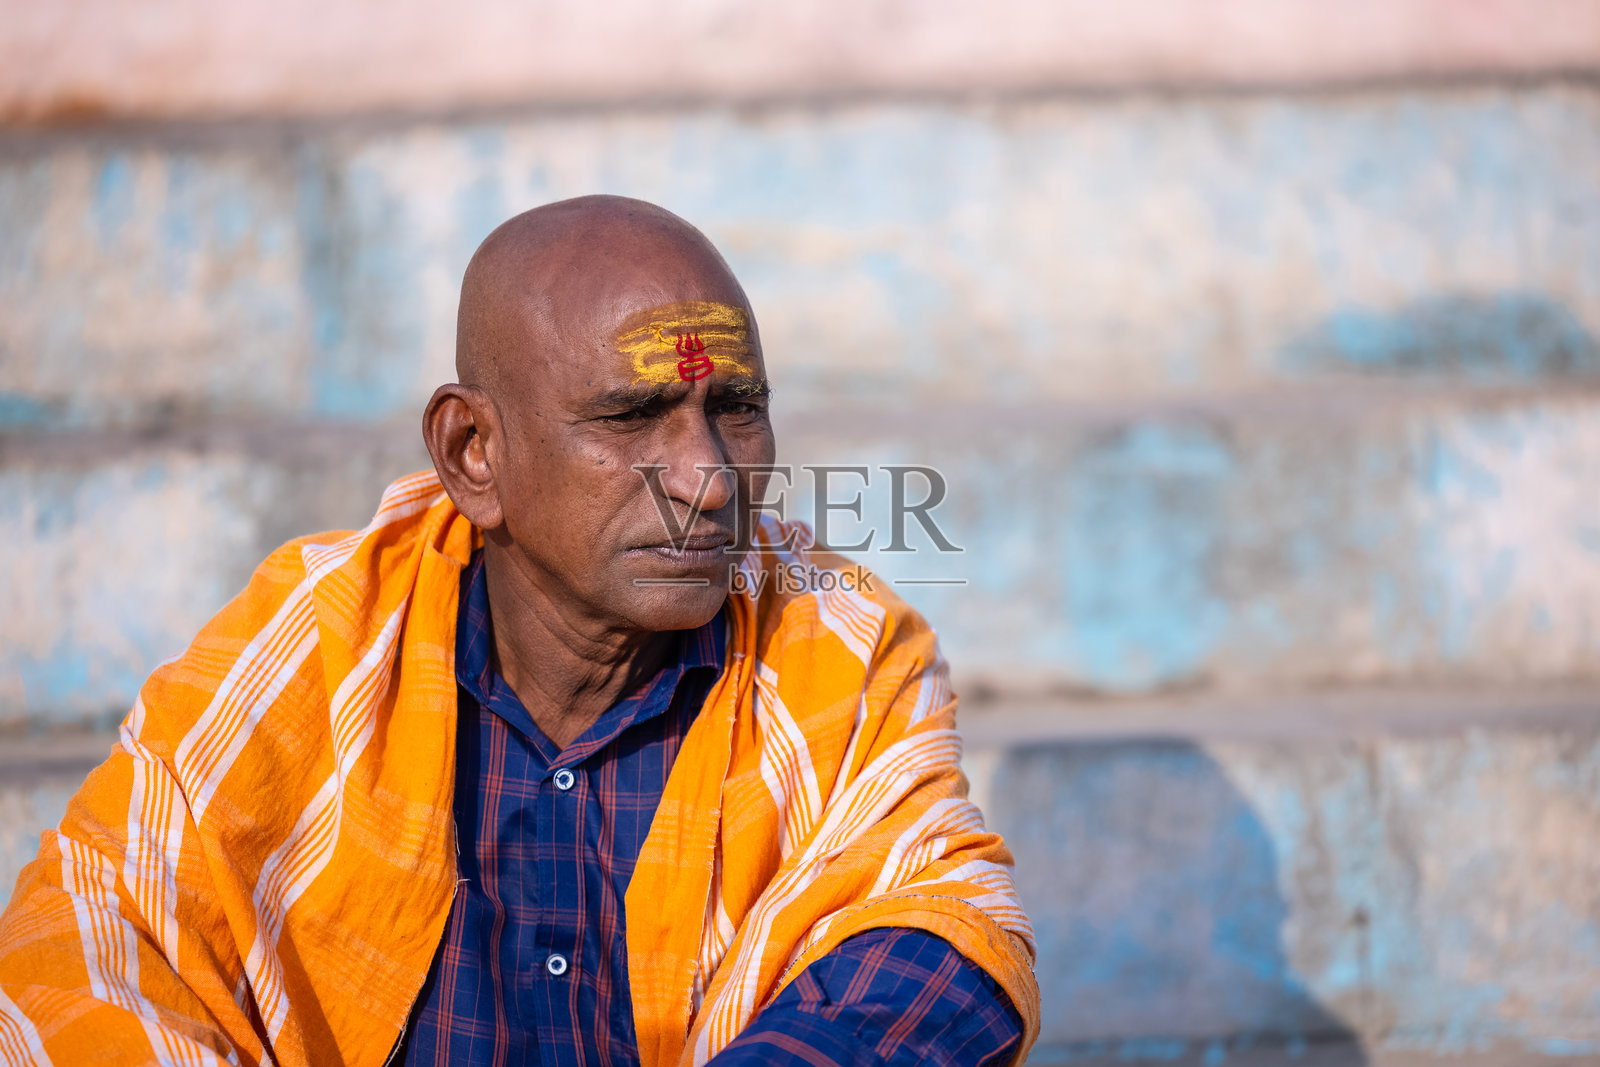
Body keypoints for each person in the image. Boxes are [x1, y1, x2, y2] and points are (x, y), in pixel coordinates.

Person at [0, 196, 1038, 1066]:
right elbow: (88, 943)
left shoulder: (837, 644)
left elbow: (944, 933)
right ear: (473, 452)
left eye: (737, 407)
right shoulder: (319, 640)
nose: (708, 478)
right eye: (631, 416)